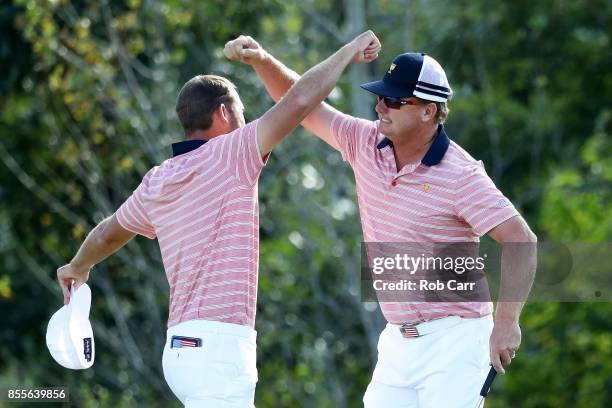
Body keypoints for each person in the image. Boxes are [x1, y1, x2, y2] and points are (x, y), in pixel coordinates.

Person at [56, 31, 381, 407]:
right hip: (218, 352)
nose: (247, 121)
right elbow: (302, 101)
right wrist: (347, 52)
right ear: (223, 114)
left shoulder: (158, 179)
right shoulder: (232, 153)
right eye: (242, 111)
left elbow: (109, 233)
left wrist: (78, 265)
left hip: (179, 350)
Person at [224, 36, 537, 407]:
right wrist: (262, 60)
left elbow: (521, 238)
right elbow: (301, 105)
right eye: (380, 96)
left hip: (457, 338)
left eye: (395, 100)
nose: (381, 106)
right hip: (397, 343)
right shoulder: (364, 141)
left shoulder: (462, 175)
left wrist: (507, 322)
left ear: (429, 111)